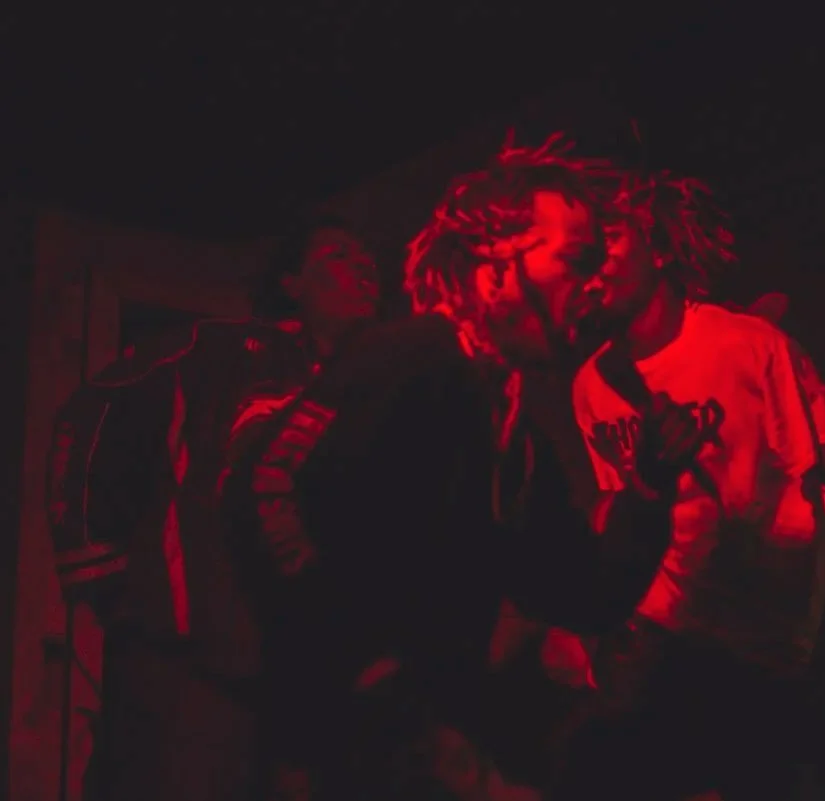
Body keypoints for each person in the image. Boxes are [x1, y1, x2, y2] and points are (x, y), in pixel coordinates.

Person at [221, 134, 701, 800]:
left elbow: (578, 588)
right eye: (575, 260)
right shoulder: (412, 356)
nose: (593, 286)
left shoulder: (512, 429)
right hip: (350, 758)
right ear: (494, 265)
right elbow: (266, 490)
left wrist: (649, 484)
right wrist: (367, 675)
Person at [556, 167, 825, 800]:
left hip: (768, 649)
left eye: (610, 239)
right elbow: (618, 508)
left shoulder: (745, 344)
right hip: (670, 650)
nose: (592, 264)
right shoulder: (589, 384)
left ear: (656, 244)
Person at [46, 215, 381, 801]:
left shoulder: (376, 388)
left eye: (366, 258)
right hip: (189, 664)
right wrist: (96, 566)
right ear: (291, 283)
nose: (360, 266)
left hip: (307, 675)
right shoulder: (217, 350)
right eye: (336, 254)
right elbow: (91, 411)